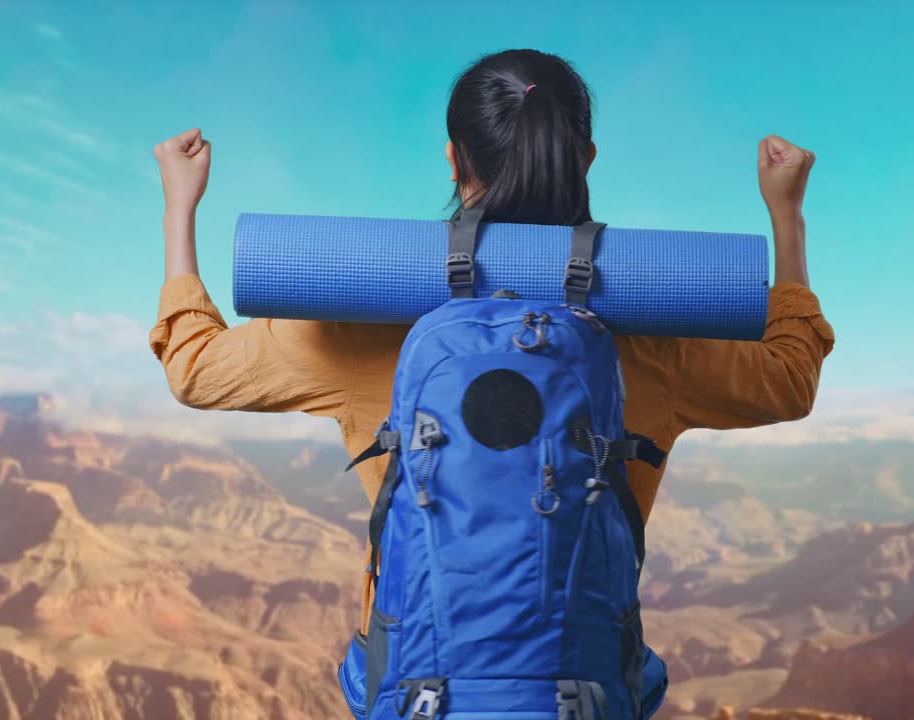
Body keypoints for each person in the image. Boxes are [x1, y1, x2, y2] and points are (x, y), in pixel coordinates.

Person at [148, 49, 835, 641]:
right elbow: (790, 377)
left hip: (424, 684)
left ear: (454, 160)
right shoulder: (655, 330)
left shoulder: (361, 323)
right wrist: (787, 215)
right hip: (582, 688)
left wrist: (180, 205)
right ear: (586, 158)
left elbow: (195, 368)